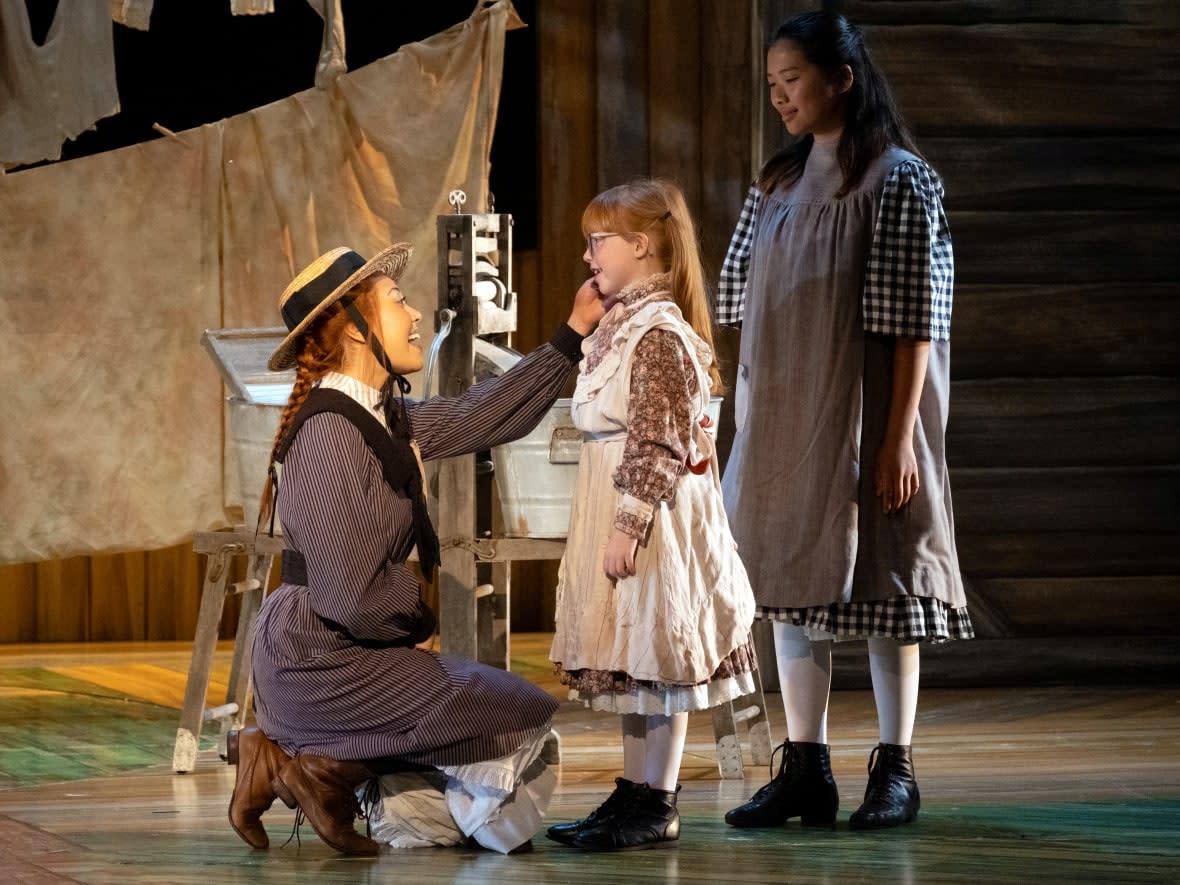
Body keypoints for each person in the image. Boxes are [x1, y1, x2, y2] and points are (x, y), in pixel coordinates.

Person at [226, 242, 606, 855]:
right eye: (397, 301)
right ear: (354, 330)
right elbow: (348, 596)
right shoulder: (331, 435)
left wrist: (571, 335)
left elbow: (481, 415)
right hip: (322, 658)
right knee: (515, 716)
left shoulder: (379, 416)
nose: (415, 315)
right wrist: (417, 620)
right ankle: (310, 763)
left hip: (344, 645)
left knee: (507, 716)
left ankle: (308, 764)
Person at [717, 11, 973, 831]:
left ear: (842, 78)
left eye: (793, 80)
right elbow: (737, 301)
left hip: (865, 414)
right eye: (772, 85)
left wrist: (897, 439)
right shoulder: (777, 185)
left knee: (883, 586)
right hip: (786, 409)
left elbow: (915, 322)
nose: (781, 97)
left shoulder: (898, 179)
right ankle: (806, 766)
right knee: (793, 590)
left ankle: (894, 768)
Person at [546, 179, 757, 852]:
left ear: (642, 244)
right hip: (618, 498)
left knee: (656, 654)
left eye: (598, 240)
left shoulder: (659, 332)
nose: (589, 255)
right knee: (631, 659)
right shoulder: (623, 324)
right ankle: (635, 791)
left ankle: (658, 798)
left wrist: (628, 521)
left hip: (653, 513)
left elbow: (659, 436)